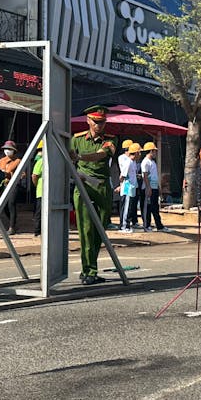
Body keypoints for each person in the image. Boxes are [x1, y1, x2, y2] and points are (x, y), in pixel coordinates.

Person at [69, 105, 119, 284]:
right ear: (88, 120)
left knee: (100, 229)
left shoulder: (111, 139)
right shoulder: (77, 139)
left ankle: (91, 268)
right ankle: (88, 271)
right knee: (86, 230)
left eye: (103, 122)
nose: (99, 125)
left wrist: (80, 158)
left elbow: (100, 155)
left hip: (102, 187)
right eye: (96, 122)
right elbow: (67, 157)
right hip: (83, 187)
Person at [0, 140, 22, 233]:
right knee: (4, 206)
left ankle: (11, 227)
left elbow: (22, 174)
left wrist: (11, 175)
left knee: (11, 204)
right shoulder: (1, 161)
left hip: (13, 185)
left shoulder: (18, 161)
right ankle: (13, 223)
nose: (7, 150)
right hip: (3, 185)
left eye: (9, 149)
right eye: (6, 149)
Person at [140, 141, 165, 232]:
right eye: (154, 151)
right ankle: (147, 225)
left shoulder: (152, 162)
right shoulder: (145, 162)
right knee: (147, 207)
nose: (155, 153)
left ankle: (159, 225)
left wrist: (158, 187)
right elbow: (145, 175)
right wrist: (148, 187)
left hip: (154, 187)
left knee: (155, 207)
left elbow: (154, 176)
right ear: (151, 151)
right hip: (148, 188)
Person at [118, 142, 143, 233]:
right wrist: (121, 186)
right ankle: (123, 226)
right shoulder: (128, 162)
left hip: (132, 187)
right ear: (136, 153)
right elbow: (122, 176)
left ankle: (127, 225)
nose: (140, 154)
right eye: (139, 152)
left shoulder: (133, 162)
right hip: (127, 188)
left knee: (130, 207)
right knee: (126, 207)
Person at [31, 140, 44, 236]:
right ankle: (37, 230)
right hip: (40, 191)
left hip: (41, 191)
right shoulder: (40, 161)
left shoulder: (40, 160)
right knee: (39, 212)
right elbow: (34, 176)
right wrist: (36, 185)